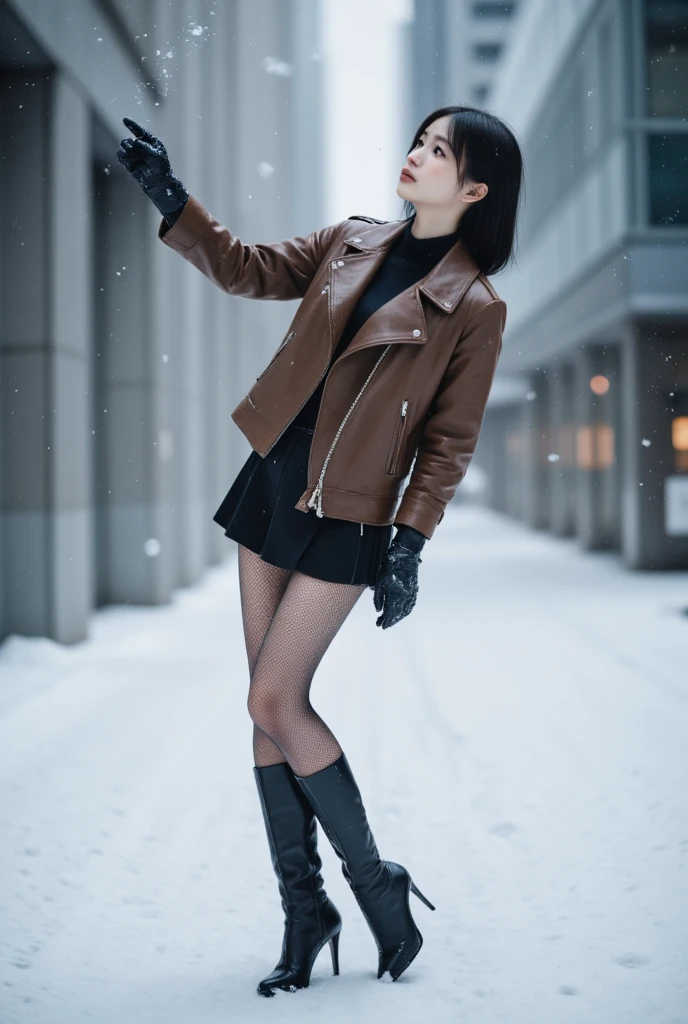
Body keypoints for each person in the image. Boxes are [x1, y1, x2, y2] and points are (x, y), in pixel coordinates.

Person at [117, 106, 523, 996]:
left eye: (438, 151)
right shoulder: (351, 240)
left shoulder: (475, 307)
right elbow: (246, 269)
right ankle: (307, 911)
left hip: (352, 513)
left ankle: (375, 887)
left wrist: (409, 542)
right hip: (272, 476)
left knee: (273, 694)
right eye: (419, 141)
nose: (415, 156)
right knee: (266, 707)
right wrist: (175, 200)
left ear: (477, 187)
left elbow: (449, 442)